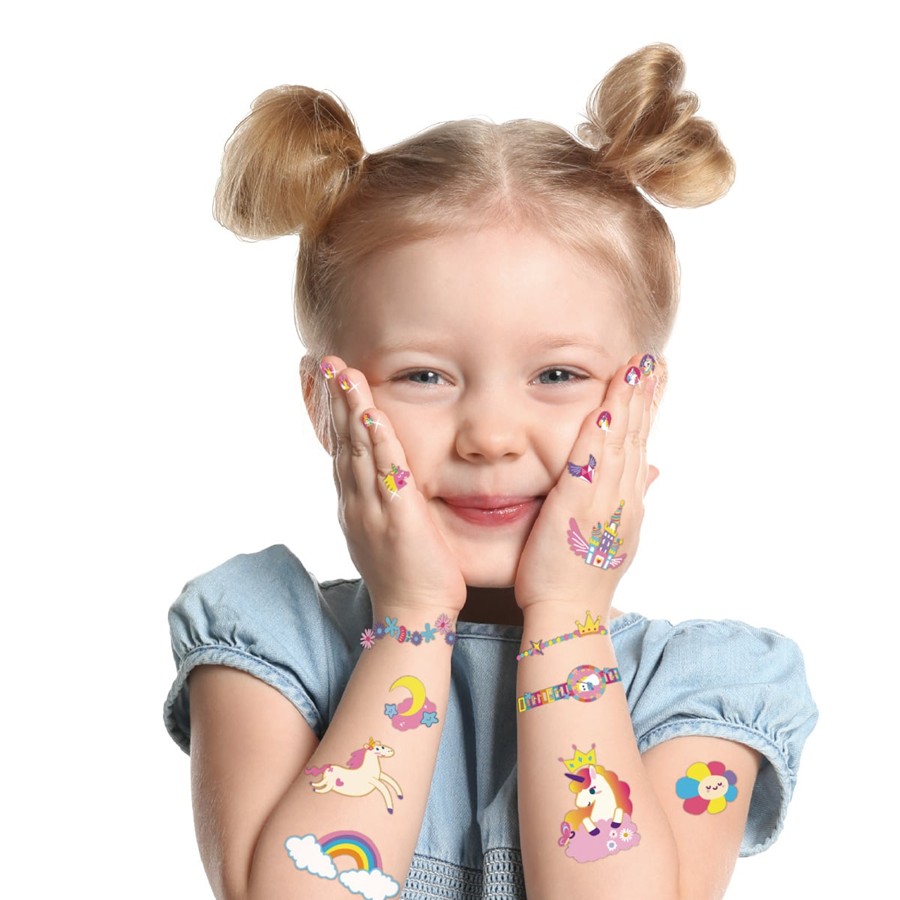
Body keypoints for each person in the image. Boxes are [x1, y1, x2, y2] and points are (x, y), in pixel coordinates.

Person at [163, 44, 817, 899]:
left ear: (642, 401)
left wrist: (569, 619)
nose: (491, 437)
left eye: (558, 374)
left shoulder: (708, 690)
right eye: (423, 376)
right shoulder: (266, 638)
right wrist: (411, 620)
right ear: (326, 402)